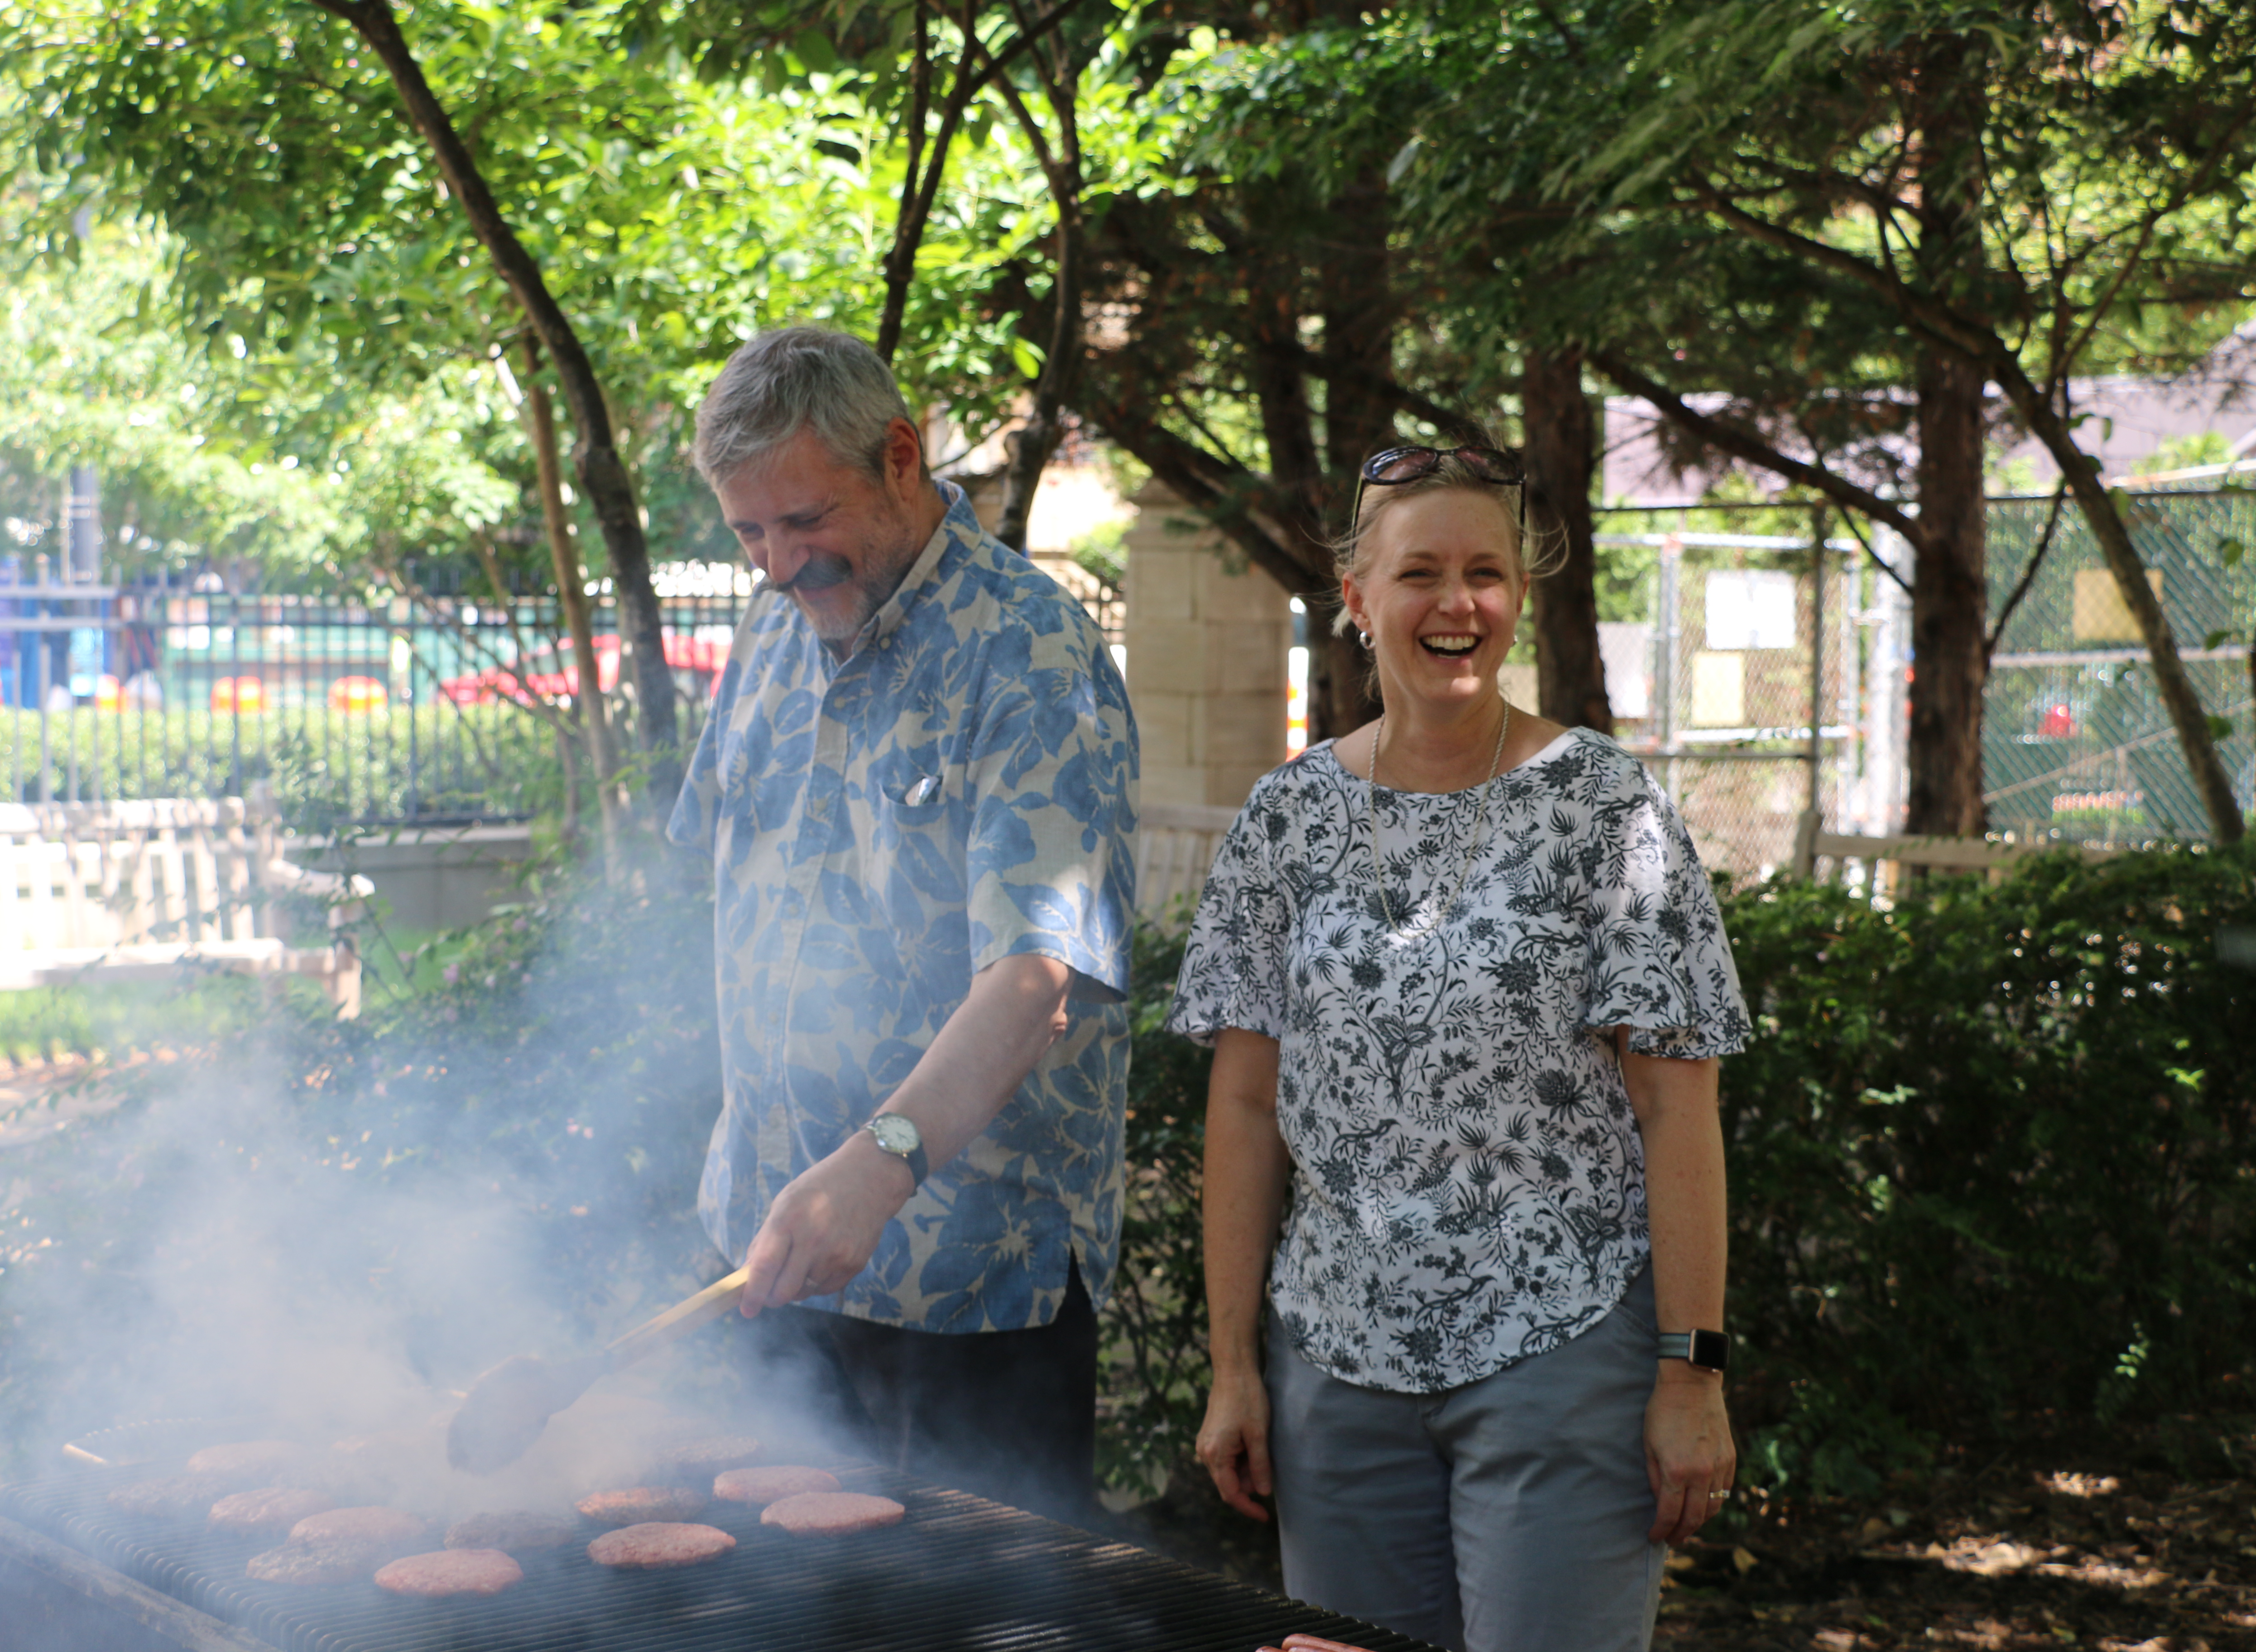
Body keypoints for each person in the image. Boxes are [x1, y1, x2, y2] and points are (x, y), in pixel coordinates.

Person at [1167, 434, 1747, 1652]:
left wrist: (1692, 1371)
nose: (1456, 603)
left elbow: (1675, 1109)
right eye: (1420, 572)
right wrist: (1235, 1366)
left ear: (1520, 597)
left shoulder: (1606, 808)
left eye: (1486, 573)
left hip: (1563, 1353)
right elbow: (1244, 1108)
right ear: (1356, 596)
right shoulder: (1288, 819)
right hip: (1333, 1368)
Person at [667, 328, 1138, 1524]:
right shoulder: (772, 629)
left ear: (901, 457)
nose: (778, 564)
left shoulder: (1031, 657)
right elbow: (724, 898)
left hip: (966, 1283)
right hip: (769, 1259)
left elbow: (1038, 977)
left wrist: (875, 1171)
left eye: (805, 521)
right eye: (749, 532)